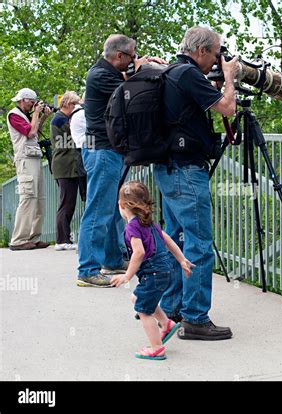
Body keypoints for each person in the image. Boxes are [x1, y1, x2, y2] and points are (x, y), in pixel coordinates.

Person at [153, 26, 237, 340]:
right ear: (201, 50)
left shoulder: (171, 72)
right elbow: (228, 108)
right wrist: (229, 77)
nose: (218, 59)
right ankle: (196, 318)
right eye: (216, 53)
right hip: (187, 171)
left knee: (176, 241)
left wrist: (214, 81)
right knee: (199, 244)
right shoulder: (188, 75)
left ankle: (173, 308)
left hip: (169, 169)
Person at [77, 34, 165, 287]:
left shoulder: (107, 72)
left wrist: (140, 68)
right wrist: (141, 71)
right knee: (98, 210)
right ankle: (87, 270)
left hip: (109, 150)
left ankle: (113, 259)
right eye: (132, 55)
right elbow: (130, 94)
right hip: (102, 150)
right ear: (120, 56)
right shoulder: (100, 75)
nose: (134, 59)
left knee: (114, 210)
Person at [110, 181, 195, 360]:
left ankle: (157, 348)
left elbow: (139, 252)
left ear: (121, 205)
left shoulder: (131, 227)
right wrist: (181, 260)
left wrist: (127, 275)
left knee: (143, 310)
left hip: (153, 274)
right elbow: (169, 241)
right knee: (137, 298)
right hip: (164, 270)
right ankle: (166, 324)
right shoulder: (149, 223)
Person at [6, 88, 52, 250]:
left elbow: (36, 131)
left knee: (39, 199)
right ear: (23, 100)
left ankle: (33, 237)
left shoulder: (25, 115)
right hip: (25, 160)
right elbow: (31, 133)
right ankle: (18, 240)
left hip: (34, 157)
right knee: (28, 197)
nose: (33, 105)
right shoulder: (14, 115)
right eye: (32, 101)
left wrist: (44, 115)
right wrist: (36, 113)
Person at [50, 91, 86, 251]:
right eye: (75, 104)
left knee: (68, 203)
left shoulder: (62, 118)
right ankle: (62, 239)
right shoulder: (60, 120)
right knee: (66, 203)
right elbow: (73, 137)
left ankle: (65, 238)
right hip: (65, 166)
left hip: (68, 166)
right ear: (67, 104)